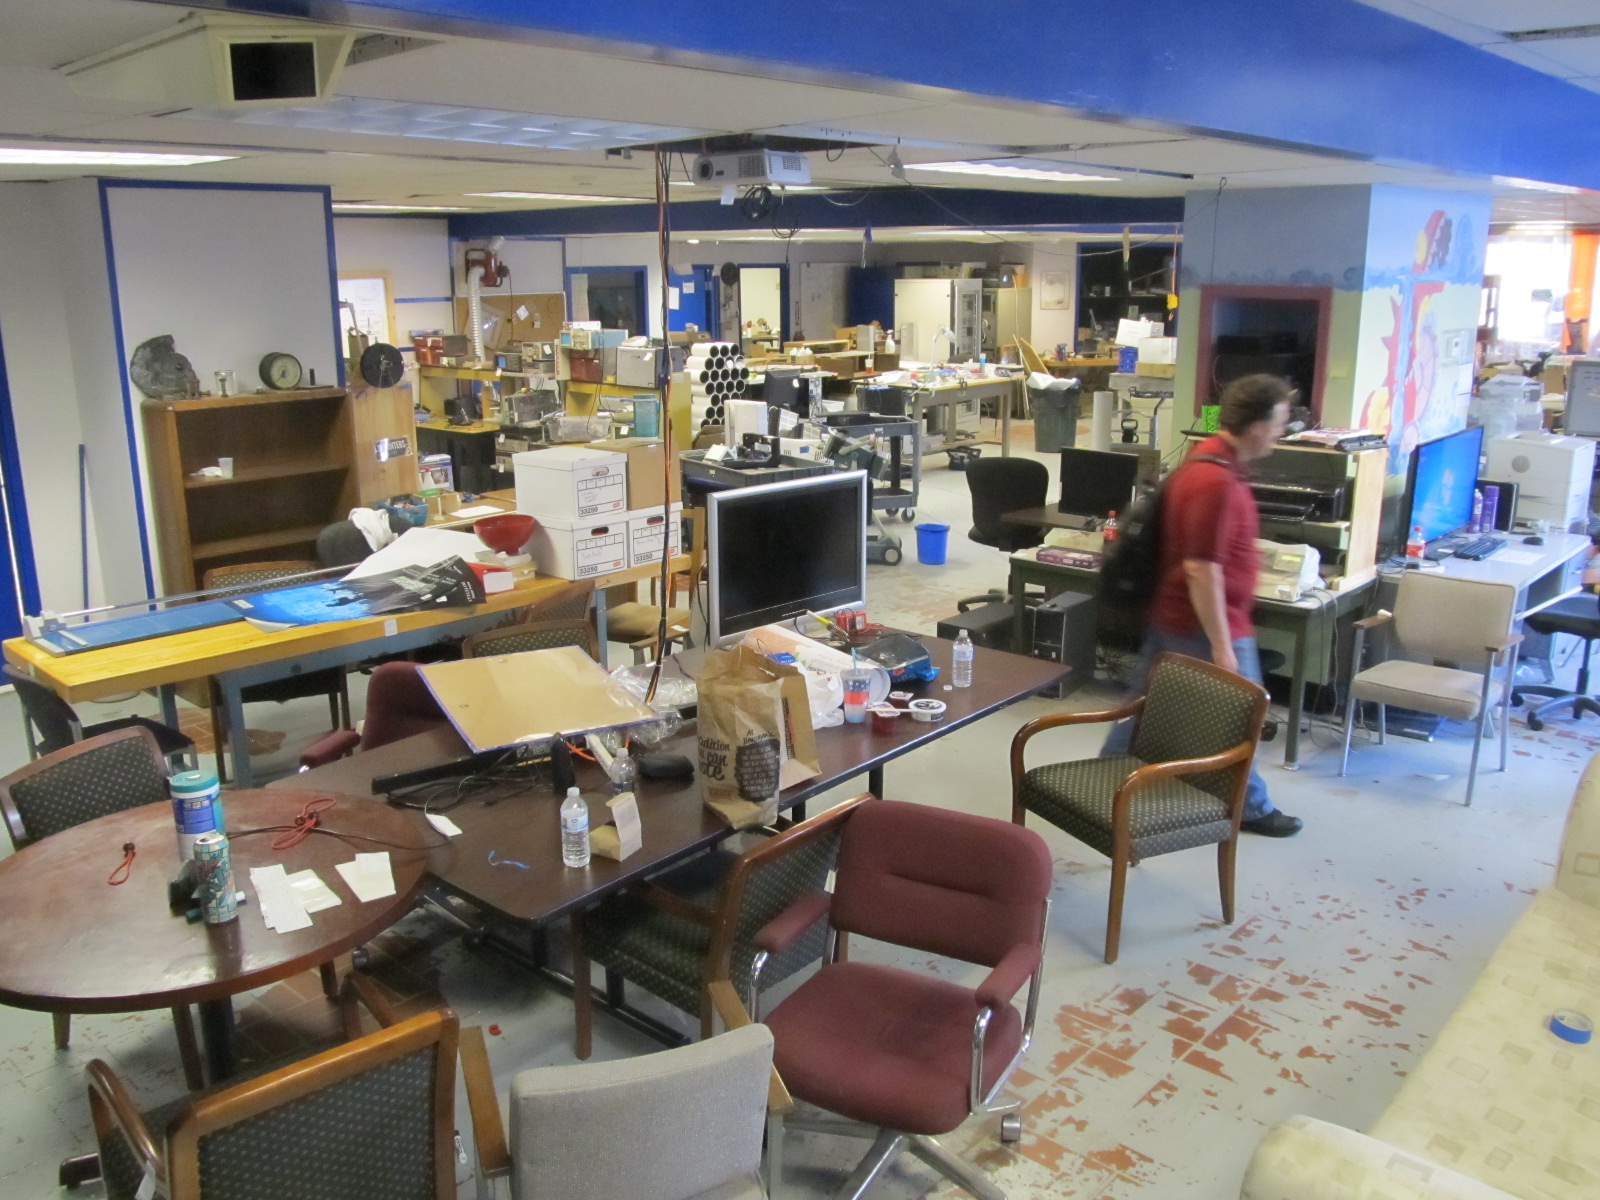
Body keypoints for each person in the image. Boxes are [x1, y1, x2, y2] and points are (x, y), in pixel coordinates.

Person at [1103, 373, 1303, 837]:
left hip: (1176, 613)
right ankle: (1250, 806)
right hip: (1205, 622)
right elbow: (1201, 568)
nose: (1281, 431)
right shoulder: (1217, 482)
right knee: (1243, 717)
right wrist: (1222, 645)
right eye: (1279, 422)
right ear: (1257, 425)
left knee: (1142, 706)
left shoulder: (1204, 459)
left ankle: (1111, 775)